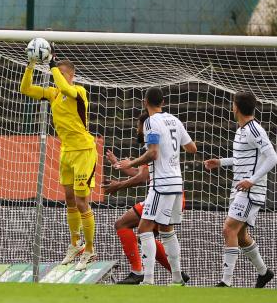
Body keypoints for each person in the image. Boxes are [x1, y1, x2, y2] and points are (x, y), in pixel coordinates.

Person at [20, 51, 97, 270]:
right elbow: (25, 89)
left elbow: (64, 87)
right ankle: (75, 244)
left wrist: (53, 65)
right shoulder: (53, 94)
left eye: (62, 74)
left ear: (71, 76)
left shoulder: (78, 91)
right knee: (70, 199)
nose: (57, 78)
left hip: (84, 151)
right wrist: (31, 65)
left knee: (82, 202)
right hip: (67, 152)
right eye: (56, 74)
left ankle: (90, 250)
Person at [118, 87, 197, 285]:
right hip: (177, 183)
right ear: (163, 102)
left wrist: (131, 163)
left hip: (161, 184)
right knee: (167, 230)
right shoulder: (175, 120)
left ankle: (148, 279)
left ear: (146, 102)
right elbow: (192, 148)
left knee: (144, 228)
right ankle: (177, 278)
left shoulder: (150, 122)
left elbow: (152, 153)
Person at [104, 111, 189, 284]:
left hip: (162, 192)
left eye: (138, 126)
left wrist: (118, 185)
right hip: (175, 193)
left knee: (124, 225)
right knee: (146, 235)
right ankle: (177, 274)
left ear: (145, 125)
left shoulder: (152, 140)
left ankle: (139, 273)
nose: (137, 130)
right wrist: (118, 164)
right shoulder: (158, 140)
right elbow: (142, 172)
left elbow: (142, 177)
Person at [204, 91, 275, 288]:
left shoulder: (255, 130)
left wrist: (251, 180)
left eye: (233, 103)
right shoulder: (241, 130)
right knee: (241, 236)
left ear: (236, 107)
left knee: (228, 228)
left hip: (250, 191)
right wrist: (220, 162)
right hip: (240, 190)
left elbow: (272, 157)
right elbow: (242, 159)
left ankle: (225, 282)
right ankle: (264, 272)